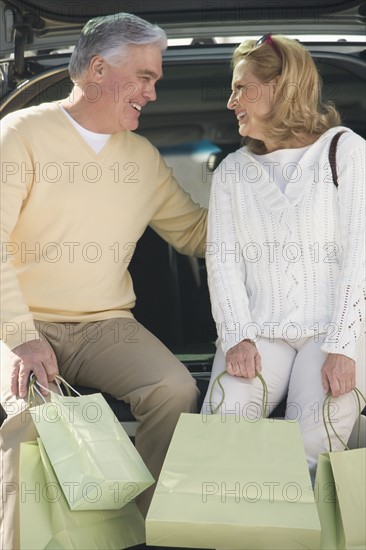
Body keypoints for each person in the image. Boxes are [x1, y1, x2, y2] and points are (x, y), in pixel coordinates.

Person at [0, 13, 207, 549]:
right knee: (29, 412)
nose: (152, 93)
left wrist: (274, 193)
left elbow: (197, 235)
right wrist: (21, 335)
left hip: (104, 325)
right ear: (96, 70)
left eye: (154, 81)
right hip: (17, 323)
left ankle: (145, 533)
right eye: (144, 78)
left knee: (175, 389)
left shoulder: (142, 159)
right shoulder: (20, 134)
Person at [202, 34, 365, 480]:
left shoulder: (344, 150)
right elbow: (222, 261)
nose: (232, 101)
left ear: (281, 87)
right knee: (221, 432)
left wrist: (344, 347)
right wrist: (236, 336)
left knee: (314, 445)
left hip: (331, 332)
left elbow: (360, 254)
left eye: (242, 87)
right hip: (259, 334)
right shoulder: (233, 171)